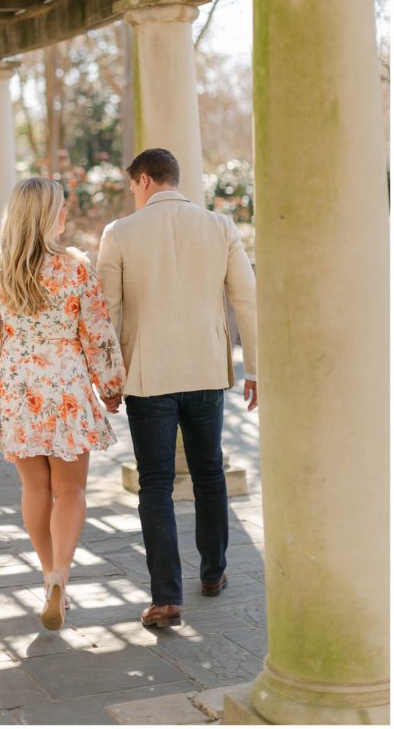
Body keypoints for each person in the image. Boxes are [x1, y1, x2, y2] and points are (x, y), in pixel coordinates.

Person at [96, 148, 257, 628]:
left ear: (144, 180)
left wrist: (108, 379)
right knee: (209, 473)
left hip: (148, 376)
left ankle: (166, 598)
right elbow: (246, 298)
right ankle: (213, 572)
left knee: (156, 484)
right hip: (207, 370)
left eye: (131, 186)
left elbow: (106, 312)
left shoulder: (119, 233)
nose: (133, 194)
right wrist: (256, 369)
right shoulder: (219, 227)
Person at [0, 177, 125, 630]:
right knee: (70, 490)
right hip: (66, 385)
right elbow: (96, 333)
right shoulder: (74, 269)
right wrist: (110, 385)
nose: (66, 215)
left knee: (34, 489)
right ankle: (61, 576)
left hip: (18, 388)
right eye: (62, 207)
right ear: (48, 214)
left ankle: (47, 575)